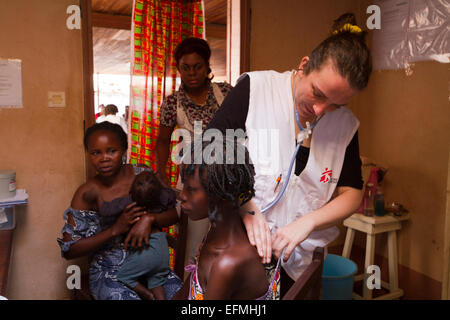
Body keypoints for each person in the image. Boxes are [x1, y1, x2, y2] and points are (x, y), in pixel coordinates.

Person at [207, 13, 372, 289]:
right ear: (304, 66)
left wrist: (308, 222)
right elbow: (212, 151)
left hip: (300, 265)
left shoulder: (345, 126)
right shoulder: (257, 90)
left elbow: (352, 192)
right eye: (318, 93)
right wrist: (246, 205)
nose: (321, 110)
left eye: (336, 104)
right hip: (239, 254)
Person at [57, 122, 182, 300]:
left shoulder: (143, 175)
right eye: (95, 153)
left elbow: (173, 215)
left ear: (124, 149)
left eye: (111, 151)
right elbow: (69, 250)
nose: (104, 158)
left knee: (187, 299)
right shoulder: (88, 192)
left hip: (150, 263)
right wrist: (115, 229)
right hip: (110, 270)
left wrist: (149, 219)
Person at [156, 37, 233, 264]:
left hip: (227, 180)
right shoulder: (172, 103)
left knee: (226, 242)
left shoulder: (226, 92)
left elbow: (245, 127)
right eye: (185, 68)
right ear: (178, 69)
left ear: (207, 66)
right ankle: (191, 293)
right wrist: (161, 171)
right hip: (193, 183)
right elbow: (162, 141)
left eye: (197, 66)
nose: (192, 73)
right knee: (193, 246)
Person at [173, 138, 280, 300]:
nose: (182, 196)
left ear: (222, 192)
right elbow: (189, 289)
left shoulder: (227, 264)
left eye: (191, 189)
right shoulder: (216, 236)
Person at [100, 170, 176, 300]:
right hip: (163, 250)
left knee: (124, 276)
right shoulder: (163, 198)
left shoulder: (129, 202)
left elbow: (107, 210)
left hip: (148, 251)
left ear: (130, 192)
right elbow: (170, 195)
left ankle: (146, 294)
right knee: (156, 280)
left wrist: (103, 203)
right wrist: (164, 187)